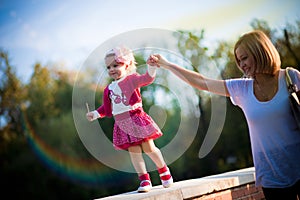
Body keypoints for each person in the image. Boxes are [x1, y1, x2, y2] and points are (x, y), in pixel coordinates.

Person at [148, 30, 300, 200]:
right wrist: (167, 64)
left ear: (259, 52)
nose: (241, 64)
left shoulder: (291, 77)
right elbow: (201, 82)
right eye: (238, 60)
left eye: (245, 58)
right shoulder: (241, 89)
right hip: (272, 178)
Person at [86, 46, 173, 192]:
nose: (112, 69)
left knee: (149, 148)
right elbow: (107, 110)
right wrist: (94, 114)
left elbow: (148, 79)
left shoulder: (132, 79)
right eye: (108, 67)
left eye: (116, 65)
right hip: (122, 124)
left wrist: (151, 67)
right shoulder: (108, 89)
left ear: (126, 65)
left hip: (136, 118)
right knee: (134, 152)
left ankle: (164, 173)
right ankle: (145, 180)